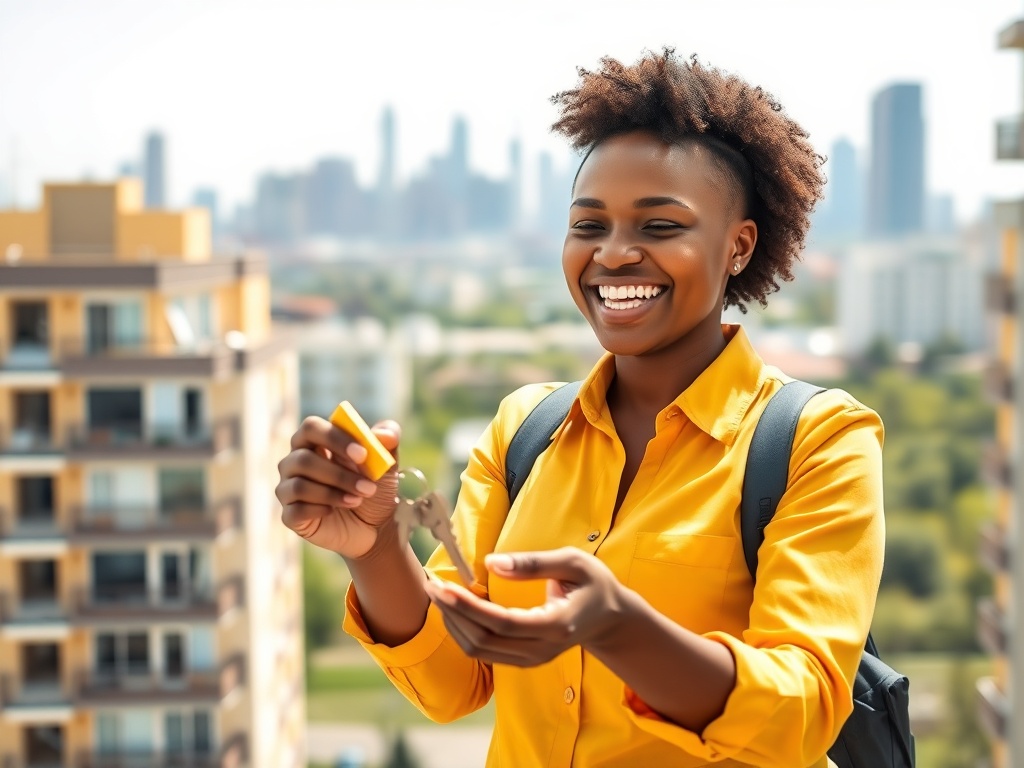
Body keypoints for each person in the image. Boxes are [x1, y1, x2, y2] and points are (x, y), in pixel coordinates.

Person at [276, 49, 884, 768]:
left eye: (660, 228)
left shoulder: (819, 441)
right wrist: (373, 549)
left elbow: (802, 711)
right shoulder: (525, 432)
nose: (615, 255)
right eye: (589, 226)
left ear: (738, 247)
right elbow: (451, 682)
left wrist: (619, 629)